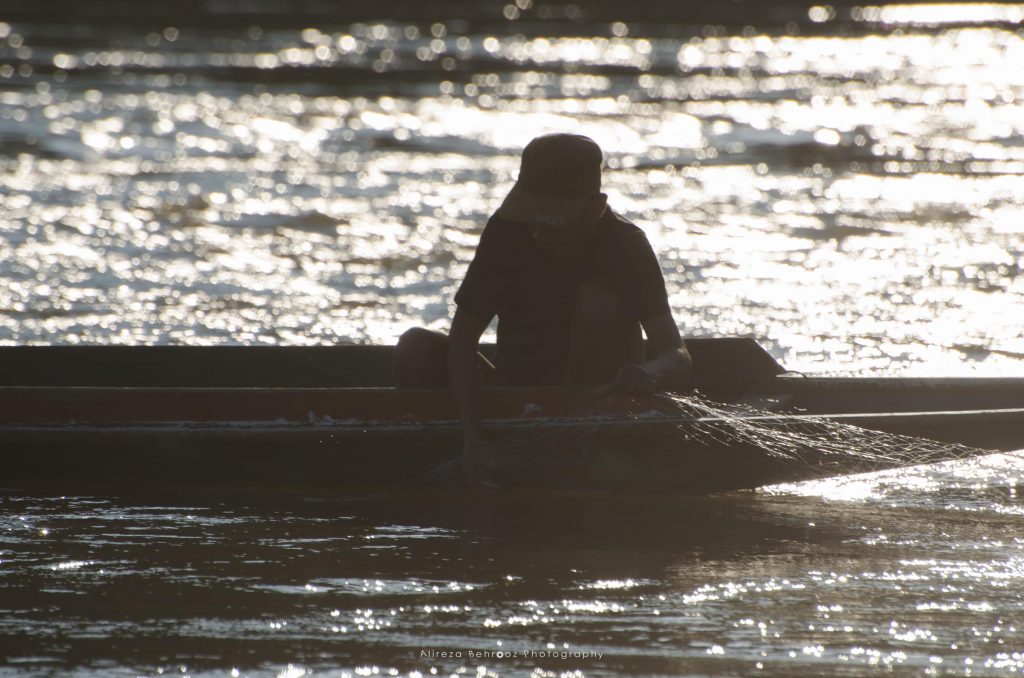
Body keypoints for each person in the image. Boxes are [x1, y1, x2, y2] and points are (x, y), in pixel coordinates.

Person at [393, 133, 692, 455]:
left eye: (553, 224)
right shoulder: (507, 229)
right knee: (415, 345)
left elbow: (676, 354)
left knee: (596, 299)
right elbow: (463, 340)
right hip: (513, 392)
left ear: (596, 207)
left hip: (599, 398)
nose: (537, 233)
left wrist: (649, 372)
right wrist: (472, 433)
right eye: (531, 219)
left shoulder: (626, 244)